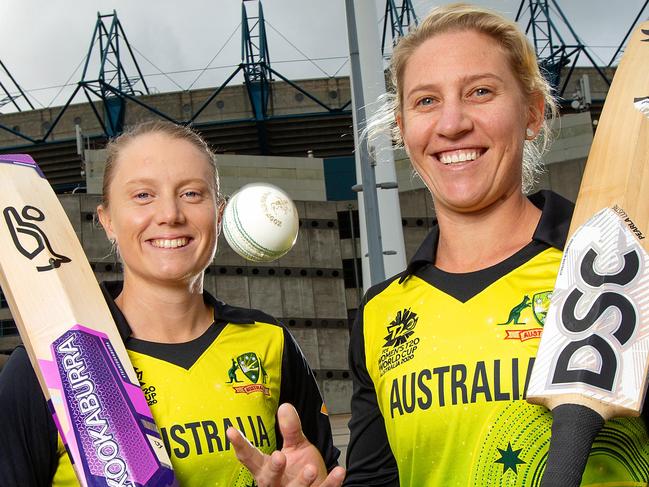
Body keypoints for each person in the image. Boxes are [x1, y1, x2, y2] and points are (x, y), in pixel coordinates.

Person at [342, 3, 649, 487]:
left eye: (480, 91)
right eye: (425, 101)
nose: (452, 123)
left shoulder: (620, 265)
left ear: (532, 112)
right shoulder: (381, 314)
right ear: (402, 130)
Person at [0, 120, 342, 486]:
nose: (170, 215)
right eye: (143, 195)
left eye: (192, 194)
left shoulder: (269, 341)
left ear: (219, 213)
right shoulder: (51, 365)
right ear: (108, 220)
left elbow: (317, 467)